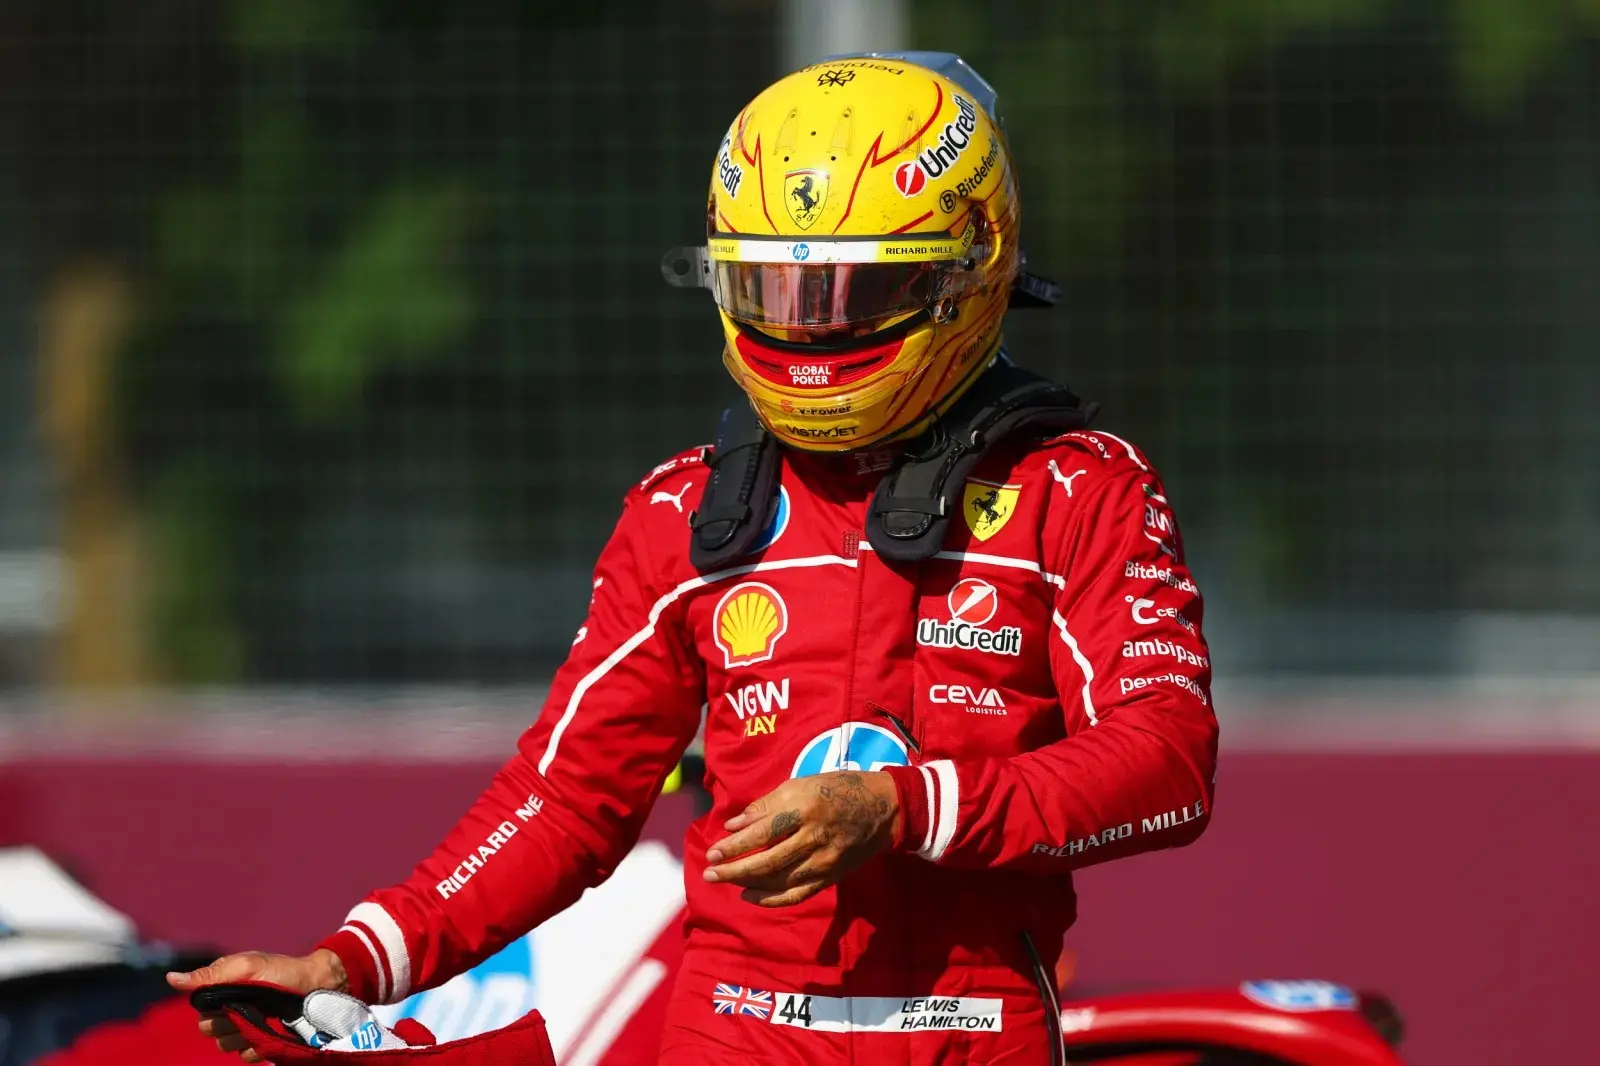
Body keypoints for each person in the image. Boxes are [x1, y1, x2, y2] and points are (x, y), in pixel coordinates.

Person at [171, 51, 1219, 1065]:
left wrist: (904, 806)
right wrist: (351, 962)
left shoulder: (1082, 489)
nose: (812, 333)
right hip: (731, 1032)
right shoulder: (681, 511)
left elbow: (1167, 763)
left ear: (966, 273)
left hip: (976, 1028)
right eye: (776, 292)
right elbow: (565, 800)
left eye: (854, 295)